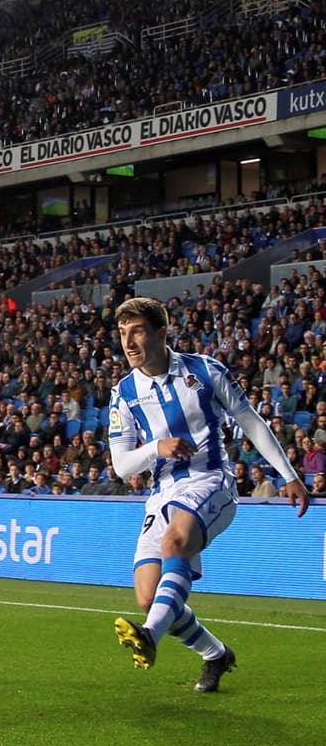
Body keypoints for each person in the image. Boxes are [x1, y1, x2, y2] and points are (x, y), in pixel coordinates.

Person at [108, 297, 309, 693]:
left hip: (210, 481)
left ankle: (149, 637)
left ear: (162, 333)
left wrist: (288, 474)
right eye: (122, 333)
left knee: (175, 542)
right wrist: (156, 448)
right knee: (150, 597)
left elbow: (250, 421)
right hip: (162, 493)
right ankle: (216, 654)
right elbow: (121, 465)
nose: (128, 342)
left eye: (137, 331)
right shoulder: (125, 392)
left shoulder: (203, 370)